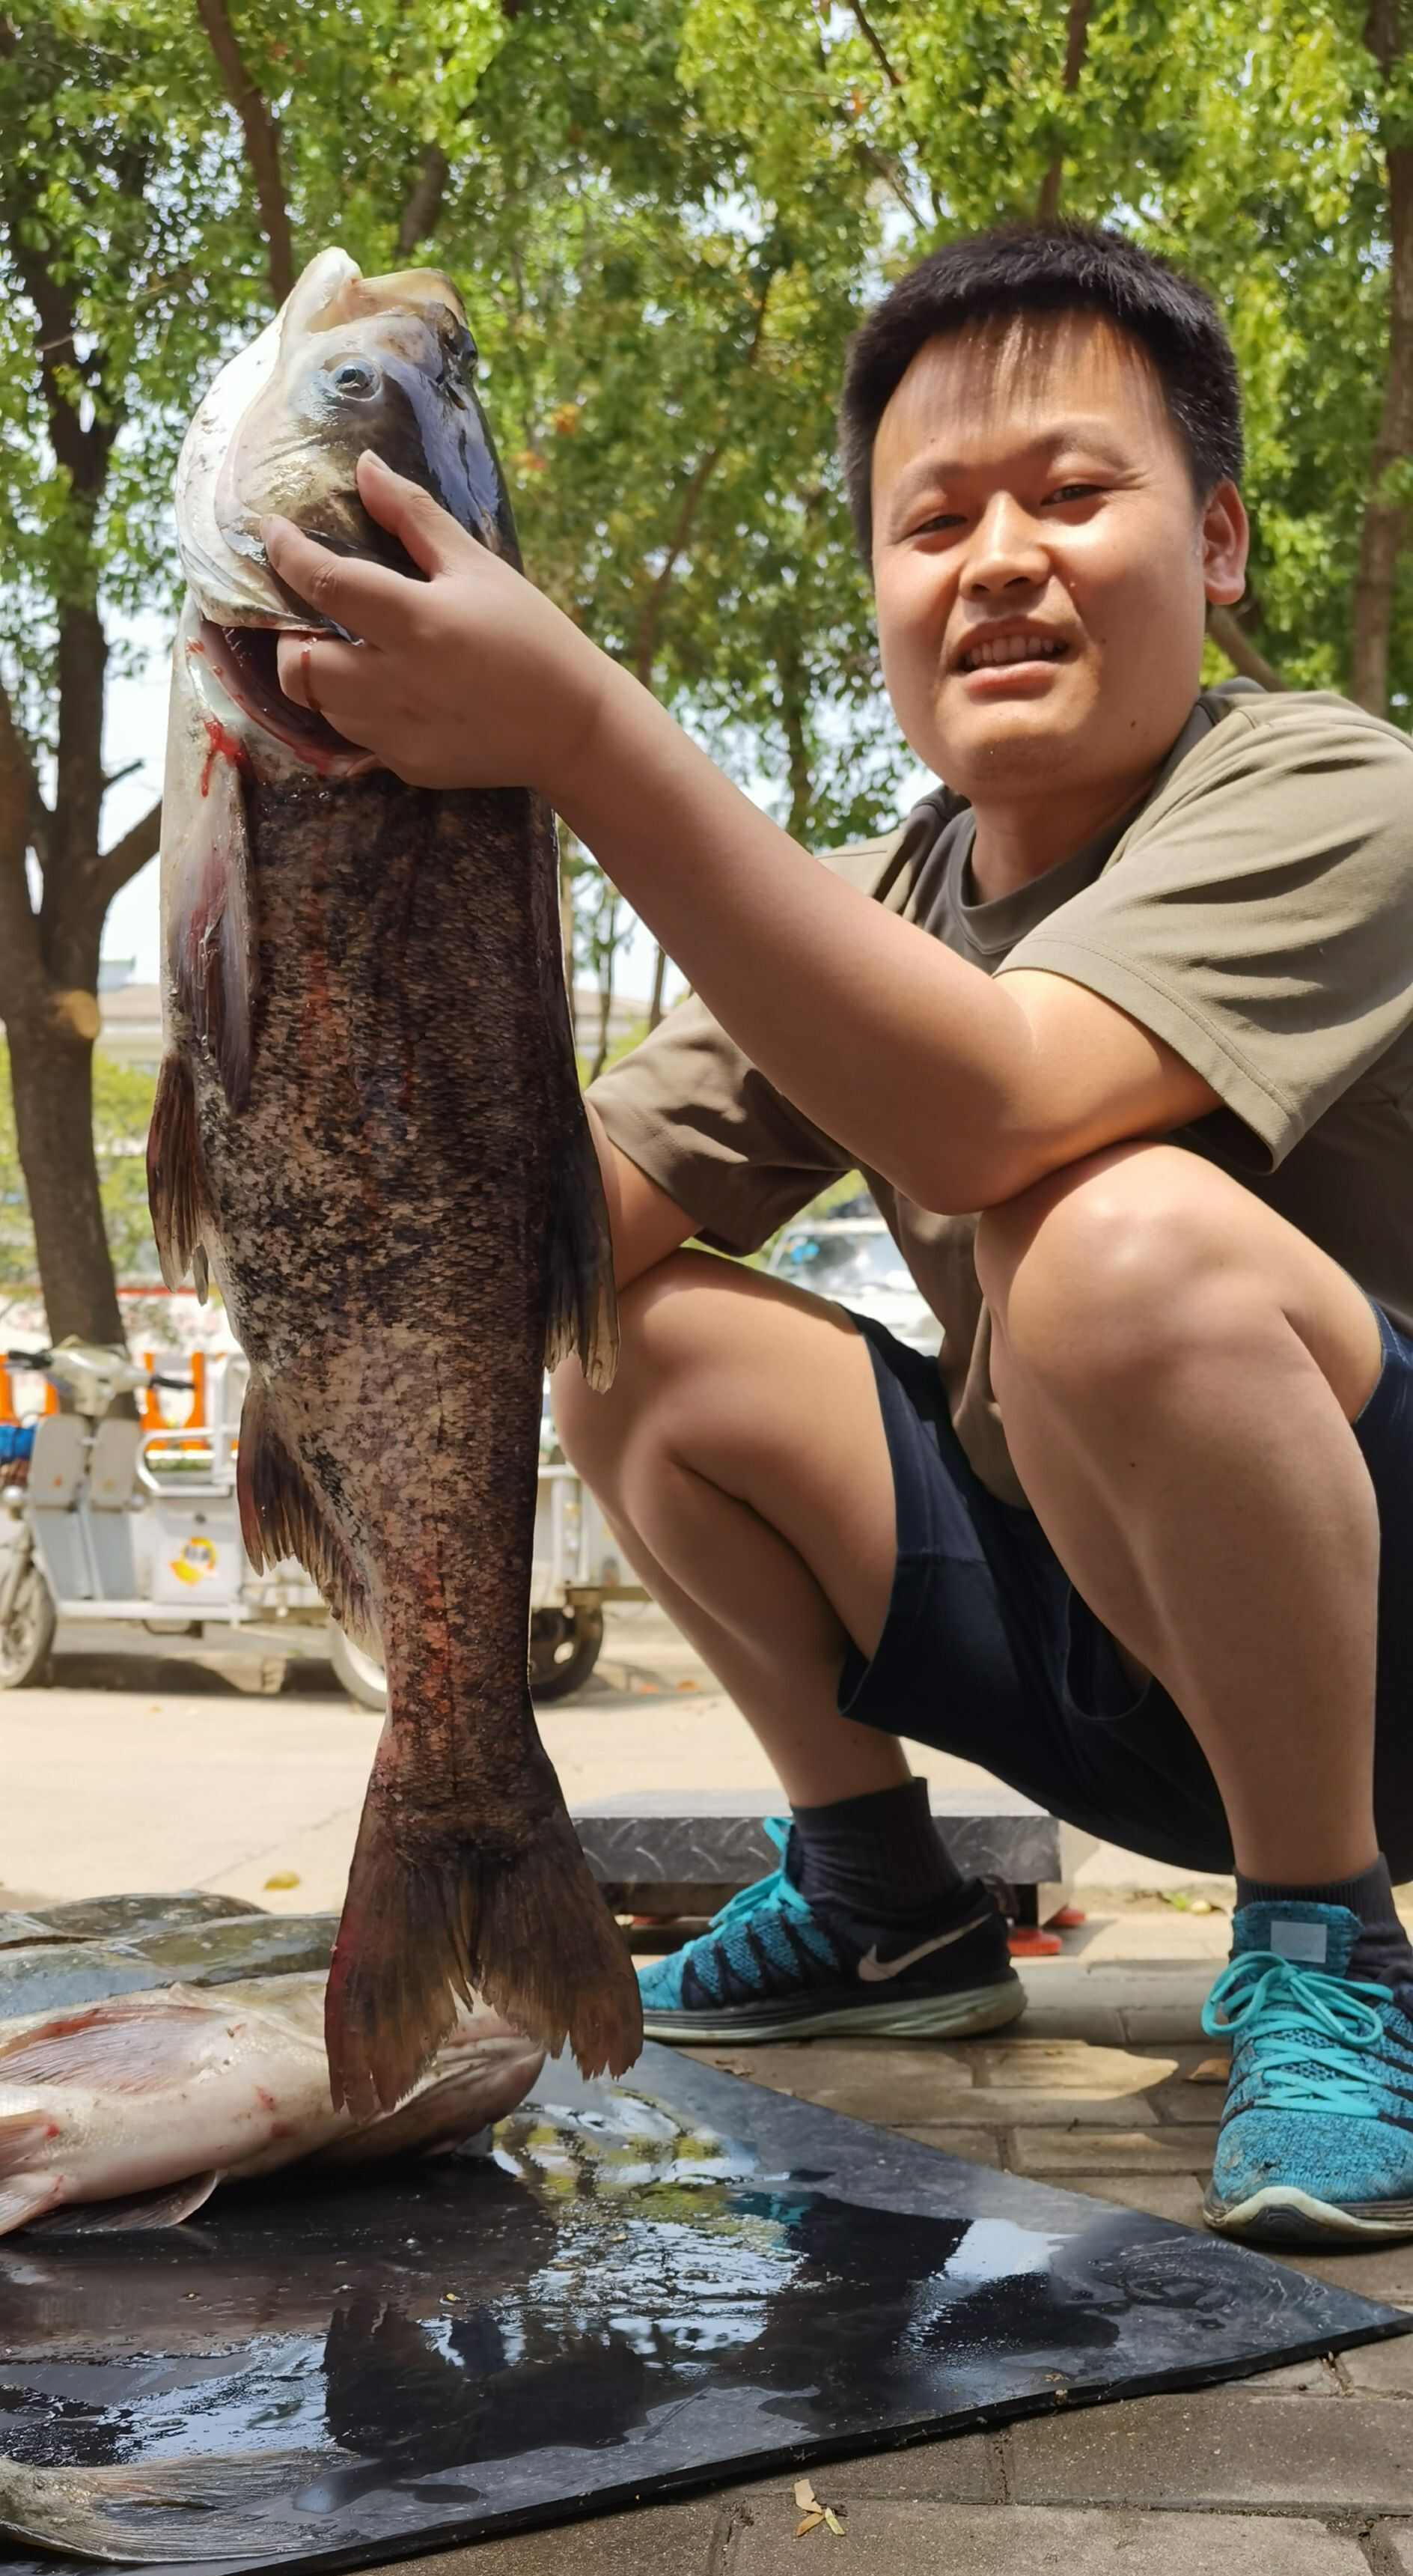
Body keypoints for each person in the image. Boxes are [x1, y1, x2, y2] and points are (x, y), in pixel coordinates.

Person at [266, 219, 1413, 2252]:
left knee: (1117, 1243)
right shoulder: (883, 901)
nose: (998, 561)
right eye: (934, 518)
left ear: (1221, 543)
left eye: (1073, 495)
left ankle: (1329, 1951)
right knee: (628, 1329)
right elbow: (541, 1228)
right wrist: (336, 878)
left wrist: (585, 737)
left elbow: (991, 1098)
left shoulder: (1335, 789)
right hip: (1108, 1664)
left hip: (1378, 1658)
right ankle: (885, 1904)